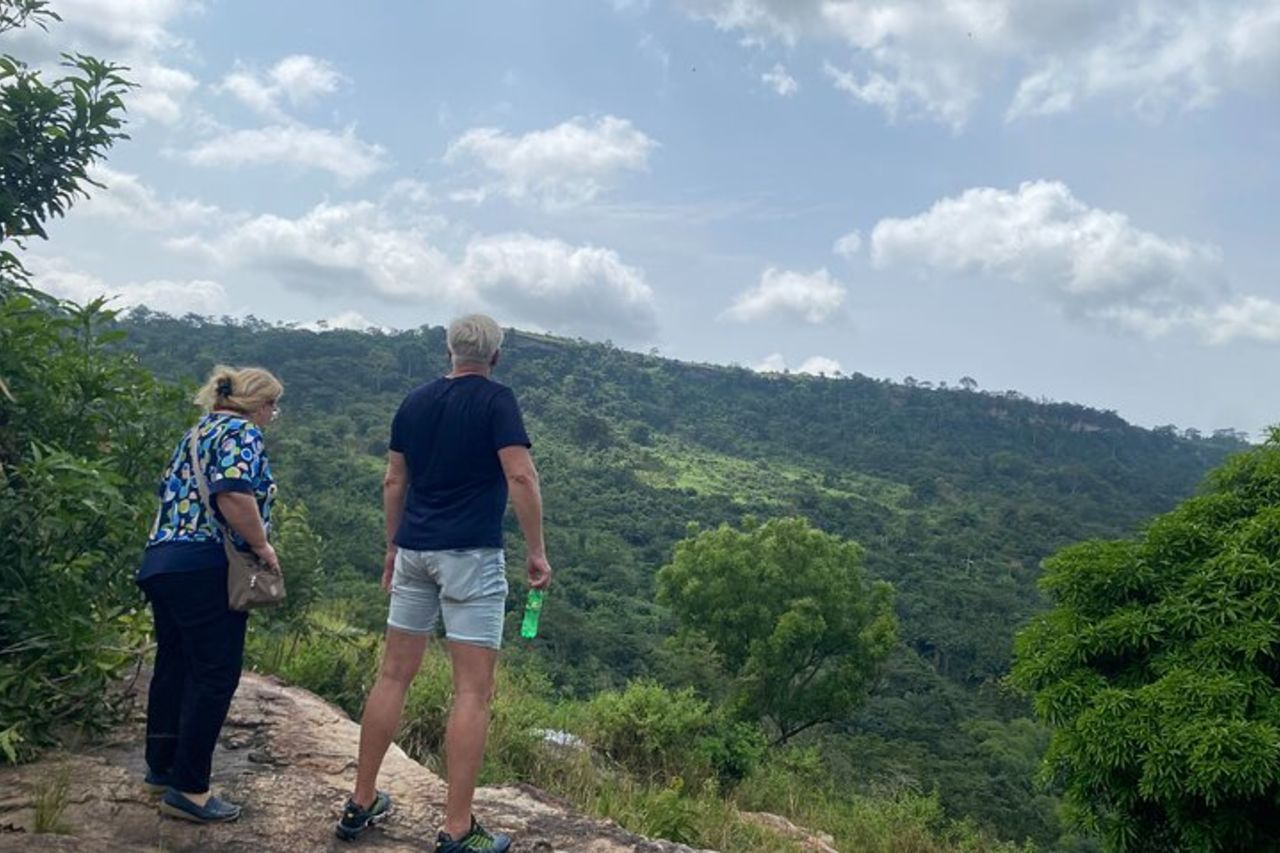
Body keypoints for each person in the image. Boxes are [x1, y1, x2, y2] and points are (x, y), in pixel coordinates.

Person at [336, 315, 551, 853]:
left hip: (413, 550)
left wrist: (392, 546)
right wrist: (537, 551)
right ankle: (456, 829)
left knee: (392, 676)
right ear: (495, 356)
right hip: (471, 556)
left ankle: (361, 800)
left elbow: (393, 479)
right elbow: (520, 475)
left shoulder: (414, 401)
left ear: (449, 351)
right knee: (472, 692)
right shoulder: (496, 401)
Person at [138, 365, 283, 824]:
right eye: (273, 407)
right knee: (215, 673)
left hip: (163, 561)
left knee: (174, 664)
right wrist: (261, 545)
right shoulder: (242, 432)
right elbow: (233, 494)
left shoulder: (197, 432)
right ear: (259, 405)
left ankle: (162, 767)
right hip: (206, 566)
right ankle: (190, 789)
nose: (272, 416)